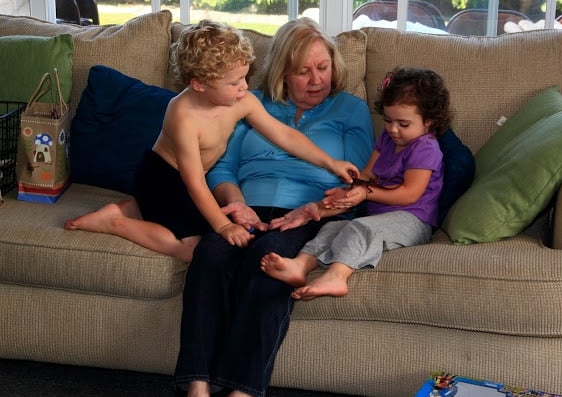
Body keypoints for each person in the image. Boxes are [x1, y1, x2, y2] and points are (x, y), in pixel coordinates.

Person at [173, 17, 374, 397]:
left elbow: (353, 183)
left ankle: (242, 390)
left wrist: (313, 209)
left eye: (323, 67)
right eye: (304, 72)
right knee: (211, 254)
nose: (317, 80)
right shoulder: (248, 103)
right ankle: (196, 385)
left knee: (268, 262)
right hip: (246, 207)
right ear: (282, 71)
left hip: (305, 211)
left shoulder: (350, 110)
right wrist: (236, 205)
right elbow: (223, 168)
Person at [64, 20, 359, 263]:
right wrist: (223, 225)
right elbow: (194, 184)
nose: (244, 87)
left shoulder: (241, 100)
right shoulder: (183, 116)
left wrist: (330, 162)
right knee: (193, 249)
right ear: (199, 84)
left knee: (212, 234)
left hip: (192, 180)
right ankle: (115, 222)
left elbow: (283, 135)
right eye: (234, 83)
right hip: (164, 179)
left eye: (244, 78)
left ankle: (133, 208)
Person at [261, 67, 452, 300]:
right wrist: (334, 201)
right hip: (379, 217)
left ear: (429, 122)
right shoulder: (387, 139)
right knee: (332, 228)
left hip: (412, 221)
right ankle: (300, 265)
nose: (393, 129)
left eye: (403, 124)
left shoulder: (425, 148)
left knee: (360, 228)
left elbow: (409, 194)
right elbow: (365, 177)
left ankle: (337, 277)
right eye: (389, 120)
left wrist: (366, 193)